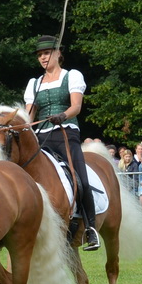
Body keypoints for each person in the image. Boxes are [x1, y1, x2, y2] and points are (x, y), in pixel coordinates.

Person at [23, 34, 100, 250]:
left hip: (66, 133)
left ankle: (90, 228)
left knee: (81, 179)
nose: (43, 58)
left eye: (46, 53)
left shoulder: (72, 76)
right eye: (39, 55)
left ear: (58, 53)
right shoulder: (34, 84)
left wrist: (63, 116)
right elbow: (29, 116)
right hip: (41, 136)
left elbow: (76, 106)